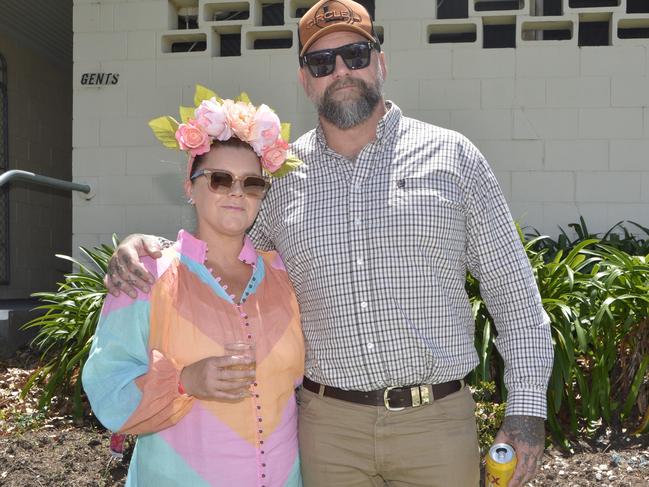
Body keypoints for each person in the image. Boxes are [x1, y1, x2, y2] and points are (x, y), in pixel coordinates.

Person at [105, 1, 554, 486]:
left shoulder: (453, 157)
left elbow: (514, 293)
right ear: (305, 79)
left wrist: (527, 410)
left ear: (380, 62)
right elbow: (222, 249)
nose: (340, 71)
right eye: (321, 62)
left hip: (435, 423)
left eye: (355, 54)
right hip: (327, 430)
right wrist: (146, 246)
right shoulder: (279, 178)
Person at [83, 90, 305, 486]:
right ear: (190, 186)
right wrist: (186, 381)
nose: (237, 192)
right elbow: (108, 388)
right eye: (220, 179)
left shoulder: (284, 277)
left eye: (252, 183)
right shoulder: (145, 276)